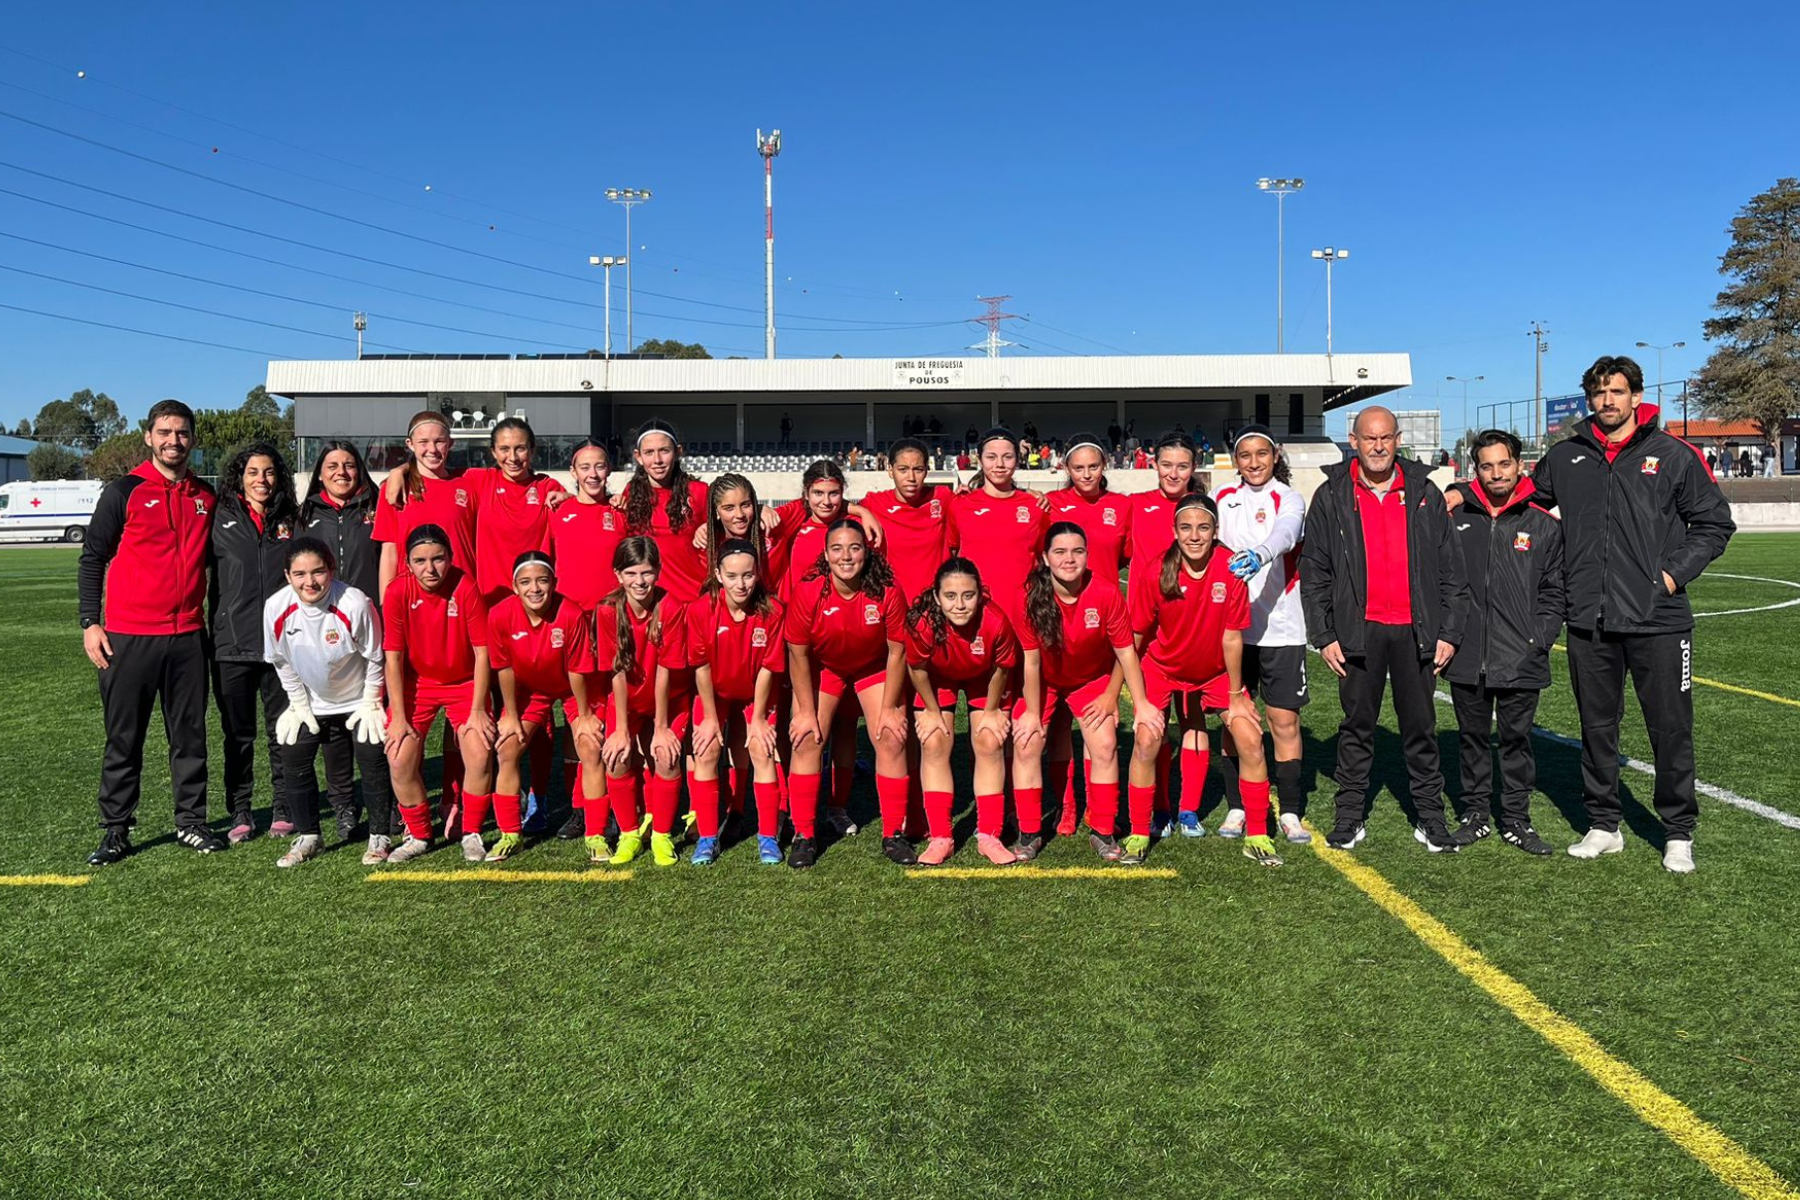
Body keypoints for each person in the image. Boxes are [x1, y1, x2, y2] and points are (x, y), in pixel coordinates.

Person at [1524, 355, 1735, 871]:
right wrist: (1461, 493)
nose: (1607, 401)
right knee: (1597, 728)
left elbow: (1714, 524)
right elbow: (1522, 500)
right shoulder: (1566, 455)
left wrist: (1668, 577)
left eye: (1617, 391)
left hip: (1658, 619)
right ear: (1588, 398)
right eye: (1598, 392)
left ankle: (1678, 830)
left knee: (1670, 728)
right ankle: (1603, 825)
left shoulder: (1674, 454)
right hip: (1587, 620)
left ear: (1636, 396)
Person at [1300, 406, 1469, 853]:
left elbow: (1452, 569)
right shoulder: (1331, 494)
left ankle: (1430, 817)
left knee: (1421, 728)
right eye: (1369, 438)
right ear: (1352, 441)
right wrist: (1324, 634)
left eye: (1386, 438)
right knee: (1356, 727)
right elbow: (1314, 569)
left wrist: (1448, 632)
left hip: (1416, 633)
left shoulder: (1424, 493)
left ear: (1398, 441)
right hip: (1359, 633)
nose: (1378, 446)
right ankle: (1349, 817)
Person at [79, 399, 223, 864]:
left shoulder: (205, 497)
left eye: (181, 433)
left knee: (190, 736)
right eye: (164, 432)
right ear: (149, 436)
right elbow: (92, 558)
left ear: (193, 440)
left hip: (186, 638)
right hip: (128, 636)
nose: (173, 441)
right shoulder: (124, 491)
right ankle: (116, 829)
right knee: (124, 738)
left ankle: (191, 822)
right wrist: (90, 622)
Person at [1129, 495, 1281, 867]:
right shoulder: (1155, 571)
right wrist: (1132, 696)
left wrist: (1236, 694)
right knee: (1147, 739)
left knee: (1249, 738)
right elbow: (1134, 639)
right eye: (1186, 527)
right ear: (1174, 531)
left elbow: (1232, 638)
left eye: (1203, 527)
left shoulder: (1231, 571)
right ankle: (1138, 829)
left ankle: (1258, 831)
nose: (1194, 536)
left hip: (1215, 674)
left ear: (1216, 531)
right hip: (1162, 670)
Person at [1442, 431, 1565, 855]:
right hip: (1466, 653)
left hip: (1521, 655)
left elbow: (1554, 591)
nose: (1497, 474)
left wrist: (1541, 638)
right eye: (1487, 466)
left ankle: (1516, 819)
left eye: (1504, 464)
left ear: (1520, 466)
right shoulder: (1454, 517)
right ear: (1475, 470)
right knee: (1472, 738)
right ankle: (1475, 815)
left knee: (1516, 741)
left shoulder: (1543, 525)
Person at [1015, 522, 1161, 860]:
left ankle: (1103, 830)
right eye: (1060, 552)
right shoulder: (1031, 597)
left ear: (1087, 555)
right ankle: (1029, 833)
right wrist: (1034, 714)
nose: (1070, 559)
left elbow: (1126, 653)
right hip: (1045, 682)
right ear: (1045, 557)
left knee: (1106, 743)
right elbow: (1032, 664)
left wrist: (1141, 705)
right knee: (1027, 741)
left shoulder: (1106, 592)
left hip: (1090, 680)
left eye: (1077, 551)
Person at [787, 518, 911, 870]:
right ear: (825, 555)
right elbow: (798, 654)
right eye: (837, 549)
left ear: (866, 553)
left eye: (854, 548)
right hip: (825, 668)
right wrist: (806, 711)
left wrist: (889, 708)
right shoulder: (809, 590)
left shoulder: (886, 589)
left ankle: (893, 833)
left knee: (890, 735)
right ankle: (804, 835)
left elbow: (897, 651)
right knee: (808, 737)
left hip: (872, 669)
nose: (846, 556)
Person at [262, 538, 392, 867]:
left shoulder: (355, 602)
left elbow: (376, 656)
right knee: (292, 750)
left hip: (358, 699)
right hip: (312, 701)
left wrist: (371, 700)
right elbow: (281, 660)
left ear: (331, 570)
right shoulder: (276, 608)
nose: (310, 582)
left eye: (318, 572)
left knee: (371, 750)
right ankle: (309, 835)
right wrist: (298, 703)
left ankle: (379, 834)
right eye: (300, 574)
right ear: (287, 575)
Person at [1210, 424, 1311, 844]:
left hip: (1283, 626)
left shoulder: (1288, 497)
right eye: (1245, 455)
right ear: (1236, 460)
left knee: (1282, 720)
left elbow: (1286, 534)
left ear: (1275, 457)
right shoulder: (1222, 497)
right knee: (1234, 718)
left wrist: (1259, 555)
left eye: (1262, 454)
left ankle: (1289, 811)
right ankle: (1237, 805)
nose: (1254, 462)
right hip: (1232, 629)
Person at [381, 524, 497, 864]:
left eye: (438, 559)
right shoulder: (397, 592)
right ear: (407, 562)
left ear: (450, 558)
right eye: (420, 561)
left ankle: (471, 831)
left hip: (463, 683)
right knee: (399, 757)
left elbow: (482, 654)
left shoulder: (465, 585)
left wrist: (478, 709)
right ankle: (419, 835)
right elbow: (393, 658)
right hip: (418, 684)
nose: (430, 569)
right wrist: (399, 717)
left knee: (478, 750)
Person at [208, 443, 300, 844]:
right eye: (252, 472)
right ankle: (241, 809)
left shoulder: (292, 520)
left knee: (284, 731)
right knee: (238, 735)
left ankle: (284, 805)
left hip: (283, 647)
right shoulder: (219, 517)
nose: (261, 480)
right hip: (232, 646)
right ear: (239, 478)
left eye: (268, 472)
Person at [487, 551, 606, 862]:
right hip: (531, 690)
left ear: (554, 582)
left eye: (542, 581)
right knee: (507, 747)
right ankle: (510, 833)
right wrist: (511, 716)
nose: (535, 589)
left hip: (571, 688)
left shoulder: (571, 614)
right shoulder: (500, 615)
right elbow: (504, 669)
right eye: (526, 582)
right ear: (514, 586)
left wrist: (583, 716)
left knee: (590, 746)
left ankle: (595, 833)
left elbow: (578, 670)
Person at [906, 558, 1020, 866]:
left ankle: (989, 835)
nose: (959, 605)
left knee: (989, 741)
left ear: (980, 594)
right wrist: (930, 710)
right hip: (938, 679)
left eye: (968, 595)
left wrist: (993, 710)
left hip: (984, 679)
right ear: (937, 595)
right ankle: (941, 837)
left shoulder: (995, 621)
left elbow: (1000, 669)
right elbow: (916, 668)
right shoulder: (924, 623)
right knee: (933, 742)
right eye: (951, 596)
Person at [686, 538, 787, 865]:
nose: (740, 583)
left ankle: (768, 837)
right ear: (718, 574)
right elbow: (700, 667)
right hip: (714, 693)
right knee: (707, 748)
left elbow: (769, 668)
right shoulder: (700, 610)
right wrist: (711, 719)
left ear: (757, 573)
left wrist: (758, 718)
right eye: (732, 576)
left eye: (748, 575)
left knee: (761, 747)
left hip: (757, 692)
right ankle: (707, 837)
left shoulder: (773, 610)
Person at [594, 537, 691, 868]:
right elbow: (617, 672)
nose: (640, 581)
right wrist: (621, 728)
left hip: (669, 699)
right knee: (617, 756)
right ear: (618, 575)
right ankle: (629, 833)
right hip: (627, 701)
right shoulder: (607, 610)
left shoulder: (672, 607)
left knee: (666, 755)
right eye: (632, 573)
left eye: (647, 573)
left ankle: (662, 834)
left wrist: (662, 727)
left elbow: (665, 670)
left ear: (659, 572)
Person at [951, 428, 1050, 636]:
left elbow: (1043, 555)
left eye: (1007, 457)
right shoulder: (960, 504)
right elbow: (951, 550)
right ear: (979, 459)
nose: (999, 464)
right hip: (975, 609)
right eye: (991, 457)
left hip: (1024, 611)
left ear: (1018, 458)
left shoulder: (1035, 506)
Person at [372, 411, 478, 598]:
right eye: (423, 442)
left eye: (439, 441)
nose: (432, 449)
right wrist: (386, 603)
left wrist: (548, 488)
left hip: (461, 595)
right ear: (410, 444)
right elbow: (389, 552)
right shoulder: (394, 488)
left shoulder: (469, 483)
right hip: (413, 598)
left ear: (450, 443)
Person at [618, 419, 712, 604]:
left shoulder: (700, 492)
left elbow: (734, 516)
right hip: (651, 603)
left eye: (664, 451)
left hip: (693, 601)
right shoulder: (630, 495)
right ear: (638, 456)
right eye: (649, 452)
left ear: (678, 452)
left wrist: (760, 510)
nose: (657, 460)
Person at [861, 438, 960, 603]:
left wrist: (969, 494)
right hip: (893, 603)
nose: (911, 477)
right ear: (890, 470)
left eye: (918, 469)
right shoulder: (874, 503)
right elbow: (834, 506)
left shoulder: (942, 497)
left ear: (927, 471)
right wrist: (860, 511)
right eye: (903, 469)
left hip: (935, 604)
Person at [299, 440, 381, 603]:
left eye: (349, 465)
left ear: (359, 471)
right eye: (332, 466)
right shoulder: (304, 516)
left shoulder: (379, 509)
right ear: (320, 475)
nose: (341, 472)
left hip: (369, 611)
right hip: (322, 613)